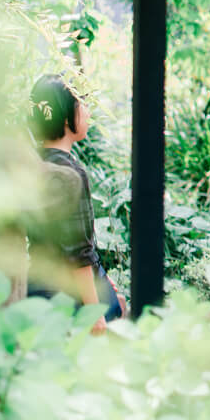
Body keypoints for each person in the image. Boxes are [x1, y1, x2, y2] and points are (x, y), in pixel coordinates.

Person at [23, 75, 124, 334]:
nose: (88, 112)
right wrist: (95, 312)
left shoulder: (29, 165)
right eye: (83, 104)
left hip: (36, 287)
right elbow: (78, 254)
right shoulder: (70, 174)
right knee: (115, 310)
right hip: (68, 295)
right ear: (67, 118)